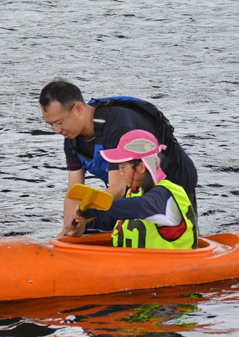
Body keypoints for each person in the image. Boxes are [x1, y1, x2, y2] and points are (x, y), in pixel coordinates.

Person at [39, 79, 198, 235]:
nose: (57, 131)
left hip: (172, 185)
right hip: (134, 187)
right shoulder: (71, 137)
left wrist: (87, 214)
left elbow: (119, 188)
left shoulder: (118, 125)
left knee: (172, 232)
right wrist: (69, 229)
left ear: (78, 109)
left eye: (59, 123)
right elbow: (73, 192)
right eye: (51, 125)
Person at [68, 130, 198, 249]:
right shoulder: (134, 193)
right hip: (138, 267)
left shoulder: (165, 196)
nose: (120, 173)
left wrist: (93, 210)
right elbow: (115, 217)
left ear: (141, 167)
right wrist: (84, 223)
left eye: (122, 166)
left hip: (176, 267)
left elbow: (138, 207)